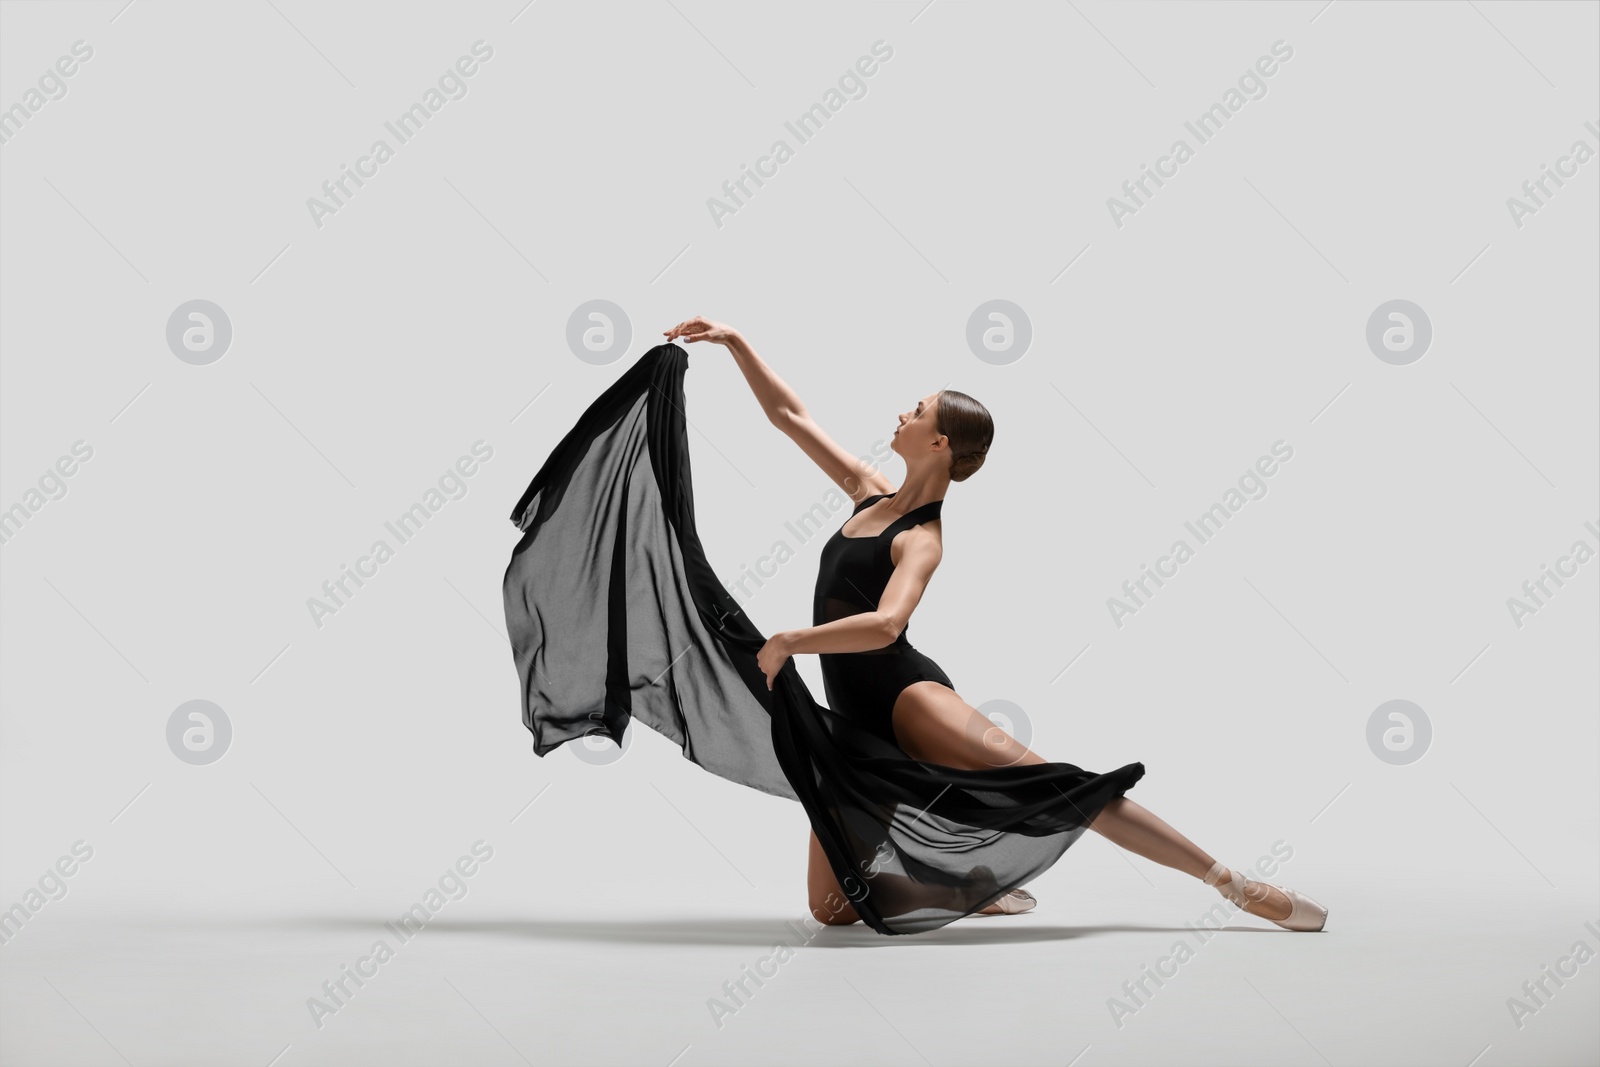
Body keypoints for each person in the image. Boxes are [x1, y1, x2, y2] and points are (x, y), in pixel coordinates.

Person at [658, 316, 1327, 933]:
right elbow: (789, 415)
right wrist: (735, 341)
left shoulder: (922, 538)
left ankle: (1232, 882)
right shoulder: (869, 490)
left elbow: (887, 625)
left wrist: (793, 640)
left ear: (939, 441)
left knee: (1058, 786)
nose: (901, 412)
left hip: (908, 698)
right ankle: (966, 889)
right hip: (853, 721)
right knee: (832, 909)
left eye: (916, 410)